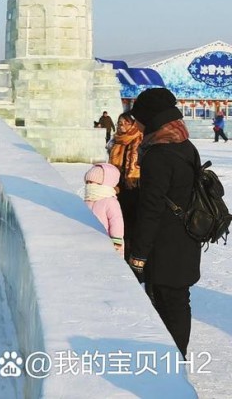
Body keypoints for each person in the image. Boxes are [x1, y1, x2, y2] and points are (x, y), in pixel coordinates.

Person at [127, 87, 201, 358]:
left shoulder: (159, 154)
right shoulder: (183, 142)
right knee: (179, 301)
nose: (136, 123)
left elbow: (151, 208)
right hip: (187, 236)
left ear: (151, 117)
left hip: (166, 244)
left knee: (167, 302)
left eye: (139, 118)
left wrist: (139, 255)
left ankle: (172, 363)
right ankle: (176, 360)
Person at [108, 112, 142, 260]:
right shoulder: (116, 140)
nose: (121, 126)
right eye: (119, 123)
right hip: (118, 186)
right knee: (119, 221)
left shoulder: (140, 138)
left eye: (125, 123)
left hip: (135, 186)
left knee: (132, 223)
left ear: (132, 124)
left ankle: (132, 254)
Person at [83, 163, 125, 255]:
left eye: (93, 183)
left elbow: (116, 221)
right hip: (89, 243)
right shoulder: (87, 200)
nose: (89, 186)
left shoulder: (110, 202)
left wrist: (116, 242)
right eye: (88, 182)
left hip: (109, 244)